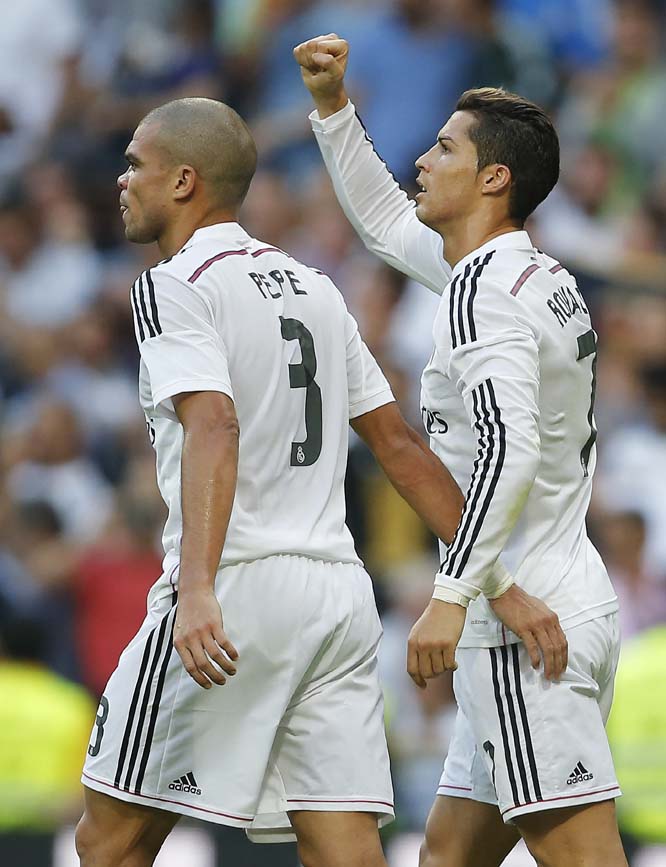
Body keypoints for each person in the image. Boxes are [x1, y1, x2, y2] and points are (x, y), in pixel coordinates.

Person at [74, 97, 561, 867]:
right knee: (345, 849)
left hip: (233, 589)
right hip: (338, 596)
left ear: (184, 182)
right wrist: (493, 579)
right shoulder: (314, 286)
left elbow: (214, 425)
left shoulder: (172, 285)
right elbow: (399, 446)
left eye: (137, 163)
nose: (122, 180)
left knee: (107, 839)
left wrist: (197, 586)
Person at [294, 34, 626, 867]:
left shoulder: (481, 291)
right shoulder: (522, 274)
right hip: (557, 591)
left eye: (445, 146)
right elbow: (380, 222)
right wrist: (334, 108)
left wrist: (450, 594)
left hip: (522, 625)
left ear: (494, 179)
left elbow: (508, 448)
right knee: (448, 854)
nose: (422, 158)